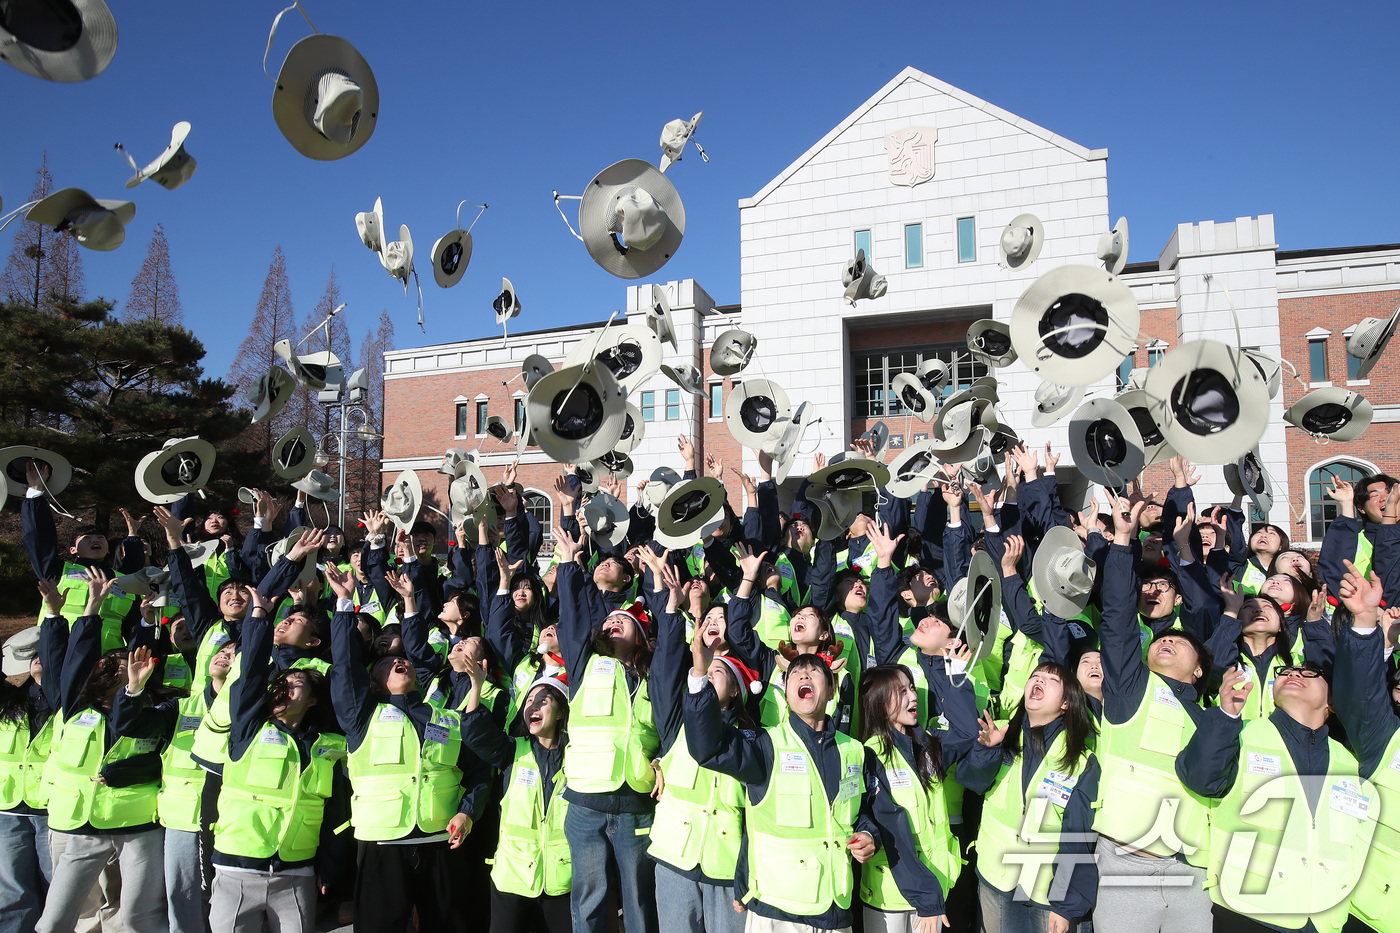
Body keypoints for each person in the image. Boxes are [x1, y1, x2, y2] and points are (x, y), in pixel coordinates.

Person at [325, 563, 489, 933]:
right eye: (386, 664)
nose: (398, 661)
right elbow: (346, 666)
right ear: (374, 683)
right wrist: (343, 605)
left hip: (439, 841)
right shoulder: (361, 715)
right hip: (383, 843)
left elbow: (478, 772)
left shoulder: (446, 716)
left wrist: (467, 813)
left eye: (402, 660)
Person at [684, 646, 880, 931]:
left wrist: (868, 834)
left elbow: (860, 812)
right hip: (777, 912)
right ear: (787, 694)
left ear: (831, 690)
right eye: (795, 674)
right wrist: (700, 676)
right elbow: (709, 748)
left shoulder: (855, 751)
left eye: (814, 671)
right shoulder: (764, 746)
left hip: (835, 908)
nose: (804, 676)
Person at [1177, 659, 1377, 933]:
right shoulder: (1240, 733)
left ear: (1331, 701)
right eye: (1286, 671)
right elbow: (1202, 778)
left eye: (1309, 673)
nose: (1294, 674)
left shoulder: (1350, 763)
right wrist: (1225, 717)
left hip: (1325, 919)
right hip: (1250, 911)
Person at [1093, 500, 1217, 933]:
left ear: (1200, 670)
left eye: (1182, 645)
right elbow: (1118, 620)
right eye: (1163, 642)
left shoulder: (1214, 717)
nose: (1168, 643)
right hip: (1126, 863)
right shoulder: (1133, 687)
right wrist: (1123, 542)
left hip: (1193, 871)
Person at [208, 585, 344, 933]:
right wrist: (258, 619)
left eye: (296, 683)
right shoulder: (249, 728)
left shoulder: (325, 746)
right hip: (237, 868)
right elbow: (250, 673)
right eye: (279, 685)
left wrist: (327, 866)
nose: (284, 687)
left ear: (313, 701)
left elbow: (334, 813)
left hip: (298, 871)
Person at [36, 569, 166, 933]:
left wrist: (147, 622)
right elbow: (74, 660)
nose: (116, 668)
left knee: (135, 917)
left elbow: (144, 659)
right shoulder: (74, 709)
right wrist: (89, 611)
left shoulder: (154, 712)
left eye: (123, 664)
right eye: (107, 665)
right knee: (60, 919)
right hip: (76, 825)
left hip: (136, 824)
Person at [552, 525, 661, 933]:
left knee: (639, 902)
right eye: (610, 620)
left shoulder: (654, 675)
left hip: (637, 801)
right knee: (589, 899)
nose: (614, 622)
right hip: (586, 802)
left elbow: (666, 730)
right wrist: (567, 565)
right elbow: (575, 616)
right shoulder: (585, 662)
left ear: (642, 636)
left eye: (624, 620)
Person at [643, 547, 752, 933]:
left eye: (718, 671)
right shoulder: (678, 722)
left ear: (737, 691)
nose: (707, 673)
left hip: (726, 867)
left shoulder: (752, 740)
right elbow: (666, 671)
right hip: (675, 858)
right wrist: (672, 610)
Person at [960, 663, 1099, 933]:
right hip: (997, 878)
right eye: (1035, 676)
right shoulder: (999, 732)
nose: (1039, 680)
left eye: (1051, 679)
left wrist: (1065, 904)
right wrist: (987, 751)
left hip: (1047, 890)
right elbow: (972, 782)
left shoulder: (1081, 760)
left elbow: (1078, 836)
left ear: (1067, 703)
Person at [113, 634, 237, 933]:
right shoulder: (180, 707)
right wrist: (134, 689)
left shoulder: (251, 711)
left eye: (234, 654)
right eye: (222, 650)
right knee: (182, 896)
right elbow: (129, 726)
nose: (225, 655)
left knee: (227, 899)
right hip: (184, 820)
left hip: (232, 820)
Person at [858, 661, 980, 933]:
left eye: (912, 688)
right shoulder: (869, 756)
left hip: (935, 887)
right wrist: (927, 897)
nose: (913, 696)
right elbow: (892, 826)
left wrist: (957, 670)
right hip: (892, 896)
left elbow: (966, 733)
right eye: (901, 691)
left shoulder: (927, 745)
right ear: (879, 702)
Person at [460, 661, 572, 933]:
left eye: (543, 701)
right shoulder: (512, 750)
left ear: (560, 714)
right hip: (512, 876)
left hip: (563, 878)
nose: (532, 706)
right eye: (529, 700)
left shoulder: (578, 754)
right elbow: (475, 732)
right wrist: (476, 685)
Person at [0, 623, 55, 933]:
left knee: (56, 886)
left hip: (49, 808)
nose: (37, 661)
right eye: (32, 657)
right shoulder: (7, 699)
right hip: (7, 808)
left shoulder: (65, 698)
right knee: (11, 890)